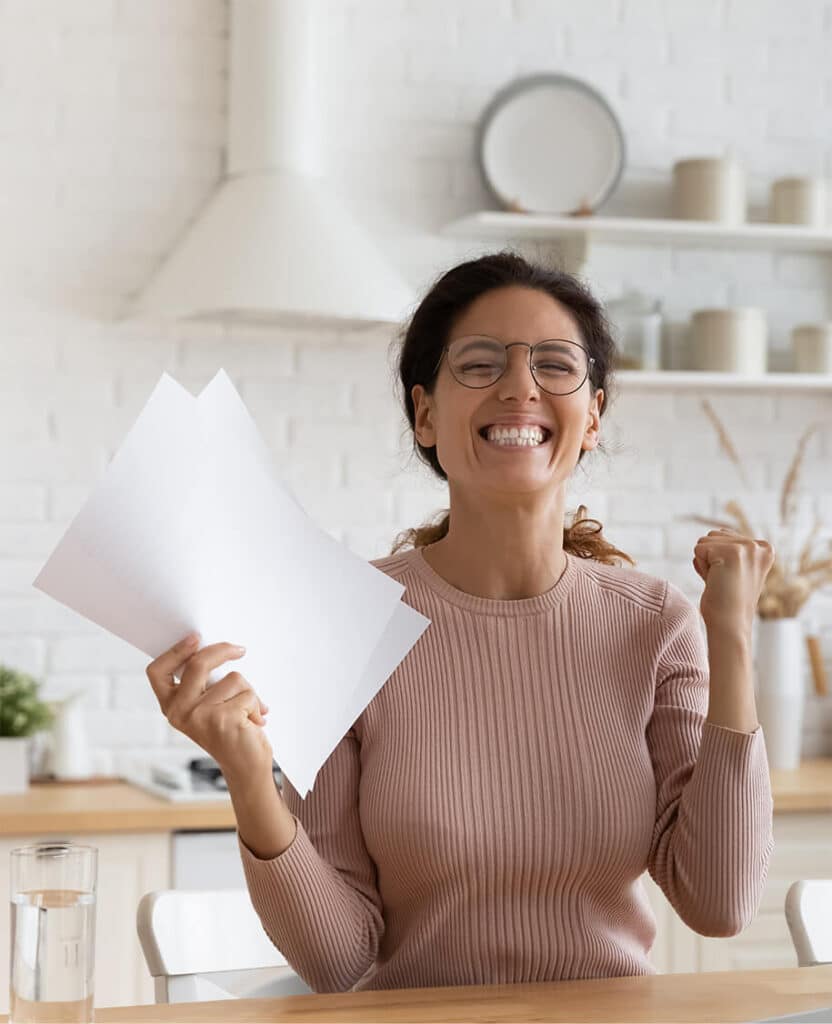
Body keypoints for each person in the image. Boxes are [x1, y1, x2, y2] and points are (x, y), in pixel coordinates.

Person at [146, 251, 776, 994]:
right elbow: (337, 959)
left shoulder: (657, 625)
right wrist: (252, 779)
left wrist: (731, 638)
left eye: (554, 363)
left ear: (593, 416)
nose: (519, 387)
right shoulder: (349, 622)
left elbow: (720, 904)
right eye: (480, 365)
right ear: (425, 415)